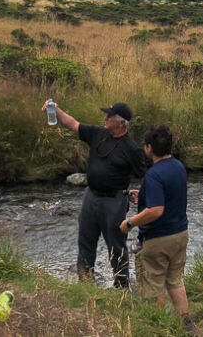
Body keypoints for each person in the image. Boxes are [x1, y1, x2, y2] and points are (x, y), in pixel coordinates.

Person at [42, 100, 146, 287]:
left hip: (114, 201)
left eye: (110, 116)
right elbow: (72, 124)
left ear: (121, 123)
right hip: (91, 197)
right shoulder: (99, 134)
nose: (105, 118)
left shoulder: (132, 148)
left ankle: (121, 286)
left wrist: (142, 195)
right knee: (85, 241)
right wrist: (56, 111)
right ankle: (85, 283)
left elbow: (146, 175)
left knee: (116, 245)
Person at [120, 124, 194, 334]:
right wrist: (142, 197)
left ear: (149, 148)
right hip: (180, 234)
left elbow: (156, 210)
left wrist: (130, 223)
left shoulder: (153, 175)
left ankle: (161, 329)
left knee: (152, 287)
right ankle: (185, 325)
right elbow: (167, 199)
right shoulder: (178, 166)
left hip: (158, 239)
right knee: (174, 279)